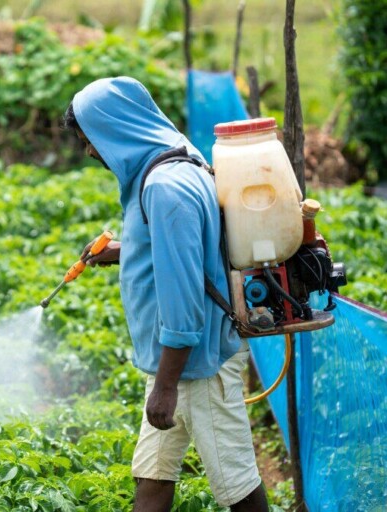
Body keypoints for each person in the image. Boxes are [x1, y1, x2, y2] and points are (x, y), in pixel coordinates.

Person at [63, 76, 268, 511]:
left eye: (91, 139)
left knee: (239, 488)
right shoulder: (179, 157)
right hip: (180, 364)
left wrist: (166, 385)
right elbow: (190, 245)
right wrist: (128, 250)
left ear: (117, 129)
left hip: (196, 366)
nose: (91, 152)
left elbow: (184, 292)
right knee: (152, 473)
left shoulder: (162, 189)